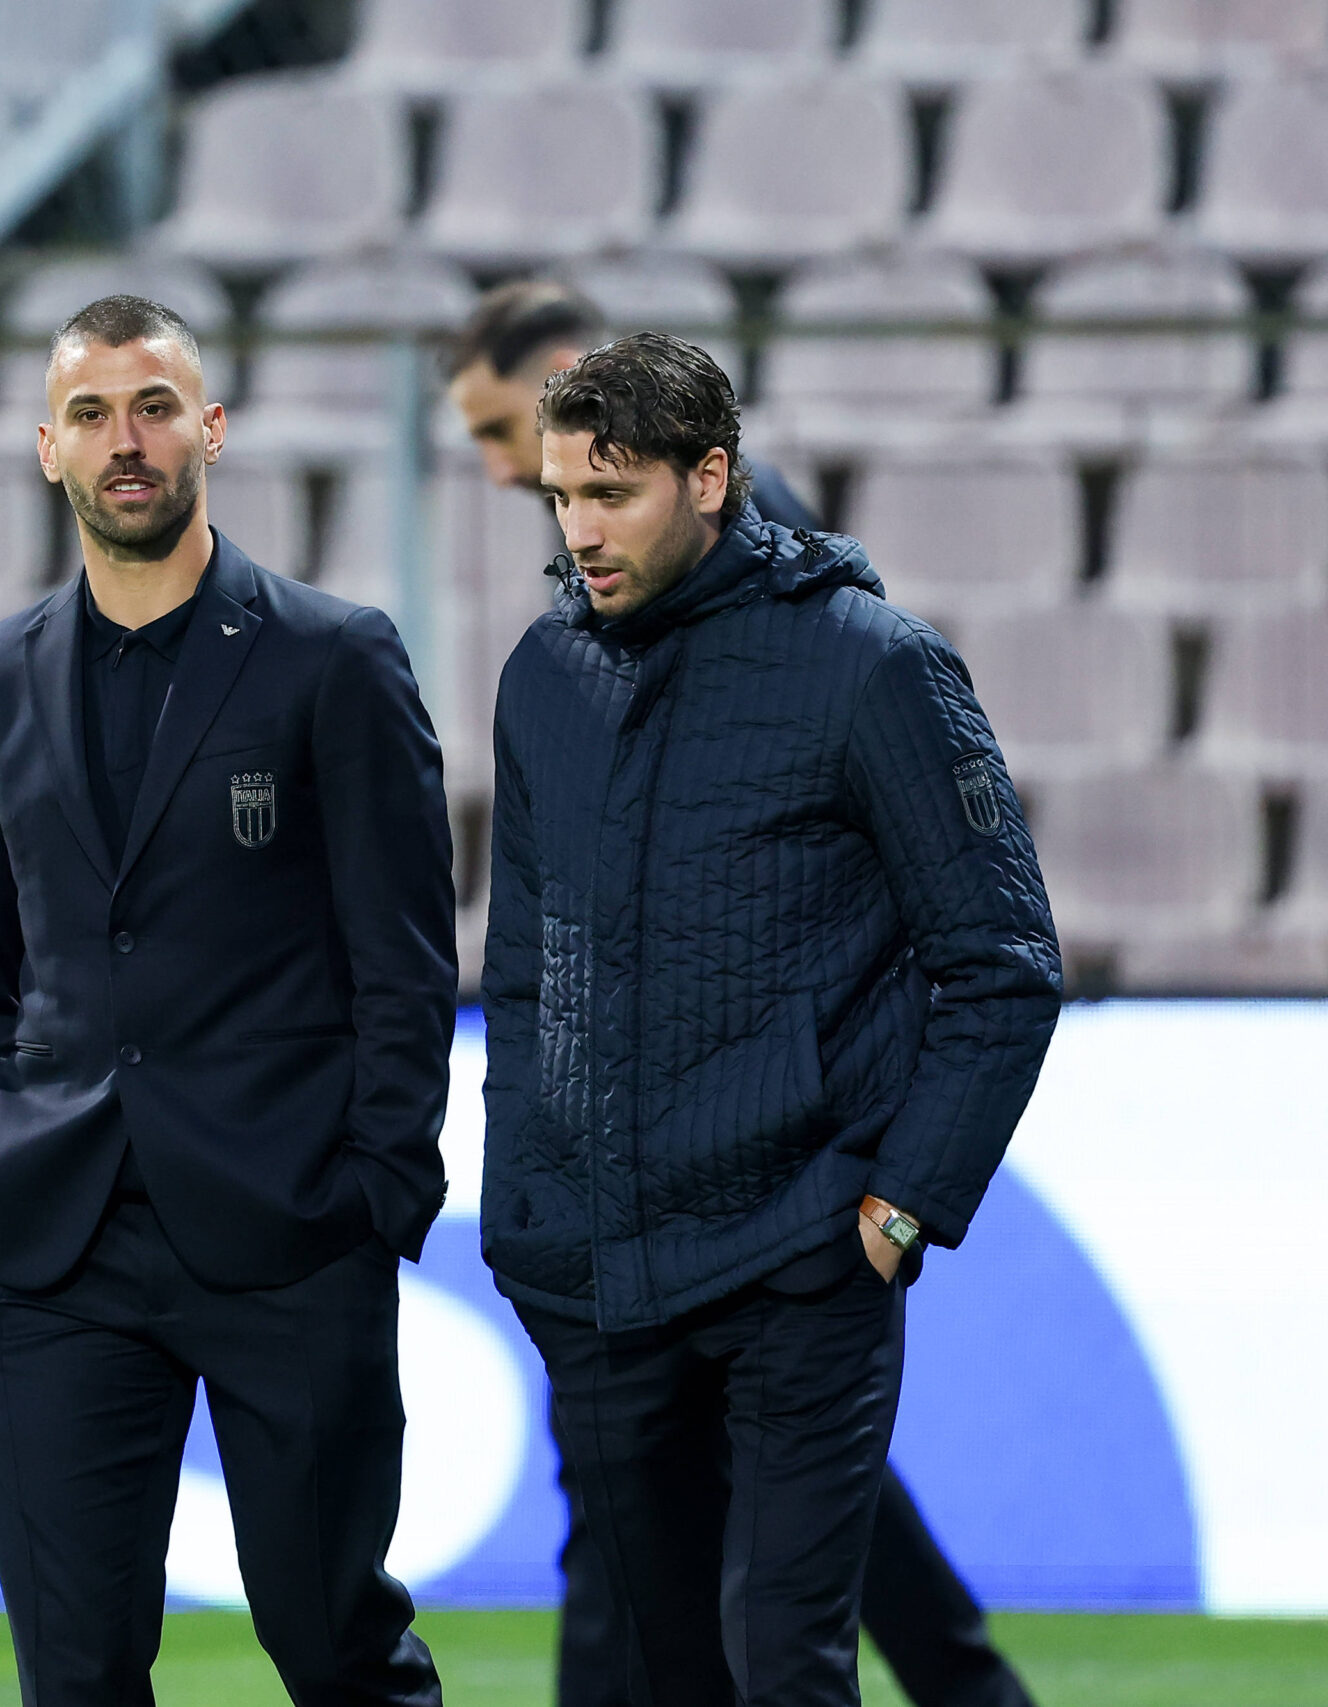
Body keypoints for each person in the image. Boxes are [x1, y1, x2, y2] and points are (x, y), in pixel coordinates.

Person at [448, 284, 1043, 1707]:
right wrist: (524, 1201)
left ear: (708, 477)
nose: (576, 530)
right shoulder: (542, 675)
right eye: (559, 496)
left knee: (784, 1665)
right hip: (600, 1268)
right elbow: (530, 971)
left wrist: (898, 1209)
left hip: (803, 1256)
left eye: (612, 493)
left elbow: (1003, 963)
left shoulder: (872, 665)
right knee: (670, 1671)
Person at [0, 295, 457, 1707]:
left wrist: (376, 1188)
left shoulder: (334, 656)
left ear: (210, 427)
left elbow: (405, 956)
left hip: (286, 1227)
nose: (126, 440)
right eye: (91, 414)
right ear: (48, 449)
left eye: (154, 404)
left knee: (329, 1642)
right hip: (50, 1240)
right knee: (77, 1674)